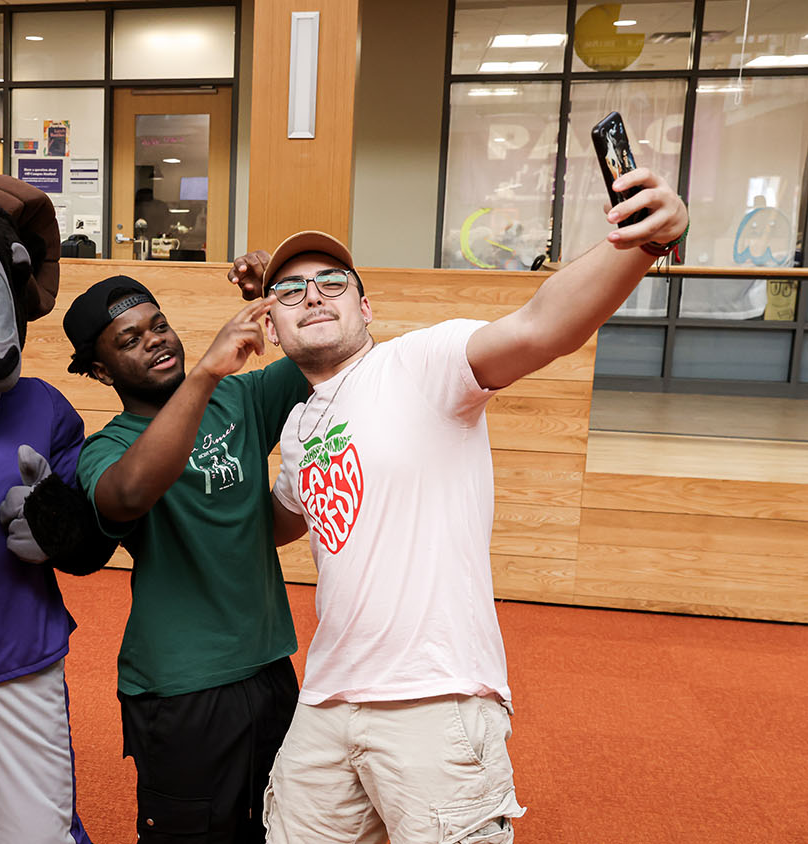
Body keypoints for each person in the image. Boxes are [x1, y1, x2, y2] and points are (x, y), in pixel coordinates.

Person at [236, 168, 689, 843]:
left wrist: (642, 243)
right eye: (291, 291)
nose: (313, 296)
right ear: (270, 325)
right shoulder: (300, 427)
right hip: (328, 697)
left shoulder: (422, 365)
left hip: (434, 694)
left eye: (333, 283)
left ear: (367, 309)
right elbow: (281, 523)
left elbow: (544, 326)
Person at [66, 274, 310, 842]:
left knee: (283, 829)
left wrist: (278, 287)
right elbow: (127, 495)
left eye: (159, 325)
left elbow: (323, 343)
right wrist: (204, 373)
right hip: (181, 688)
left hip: (271, 666)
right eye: (129, 340)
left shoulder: (240, 398)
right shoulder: (107, 449)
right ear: (102, 372)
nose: (155, 341)